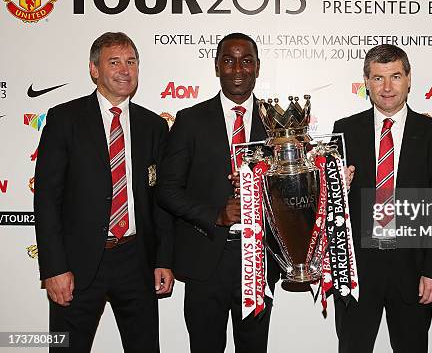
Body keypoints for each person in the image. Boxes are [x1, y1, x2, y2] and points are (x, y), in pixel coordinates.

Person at [34, 32, 174, 352]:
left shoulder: (153, 125)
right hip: (77, 265)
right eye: (115, 62)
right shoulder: (64, 119)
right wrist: (54, 268)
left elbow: (160, 201)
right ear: (94, 70)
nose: (125, 70)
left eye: (131, 62)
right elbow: (46, 199)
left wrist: (164, 259)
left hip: (137, 261)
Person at [156, 32, 278, 353]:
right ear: (216, 67)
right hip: (205, 260)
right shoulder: (190, 120)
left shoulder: (279, 124)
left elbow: (293, 193)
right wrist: (216, 216)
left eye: (246, 61)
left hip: (259, 260)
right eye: (228, 60)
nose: (237, 69)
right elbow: (167, 190)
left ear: (257, 67)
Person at [332, 44, 432, 353]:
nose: (387, 87)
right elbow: (329, 206)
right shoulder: (343, 131)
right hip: (356, 270)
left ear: (409, 79)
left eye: (395, 76)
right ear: (366, 82)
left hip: (413, 268)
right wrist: (336, 187)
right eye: (378, 78)